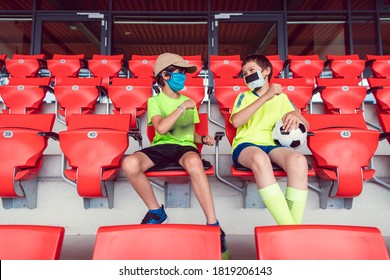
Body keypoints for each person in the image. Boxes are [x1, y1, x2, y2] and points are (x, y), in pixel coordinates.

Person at [122, 52, 230, 259]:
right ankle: (156, 212)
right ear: (165, 75)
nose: (183, 77)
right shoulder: (155, 101)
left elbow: (188, 133)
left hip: (183, 147)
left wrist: (203, 139)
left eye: (183, 73)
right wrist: (182, 107)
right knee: (130, 163)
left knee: (194, 161)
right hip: (161, 146)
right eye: (178, 72)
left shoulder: (189, 101)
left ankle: (213, 225)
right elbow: (161, 129)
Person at [230, 54, 309, 225]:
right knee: (260, 158)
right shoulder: (244, 97)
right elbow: (236, 121)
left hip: (273, 145)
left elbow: (306, 126)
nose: (247, 76)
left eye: (251, 70)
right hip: (247, 145)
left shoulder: (283, 98)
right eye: (244, 73)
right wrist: (266, 96)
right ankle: (291, 229)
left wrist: (297, 114)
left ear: (266, 71)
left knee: (299, 160)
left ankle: (292, 228)